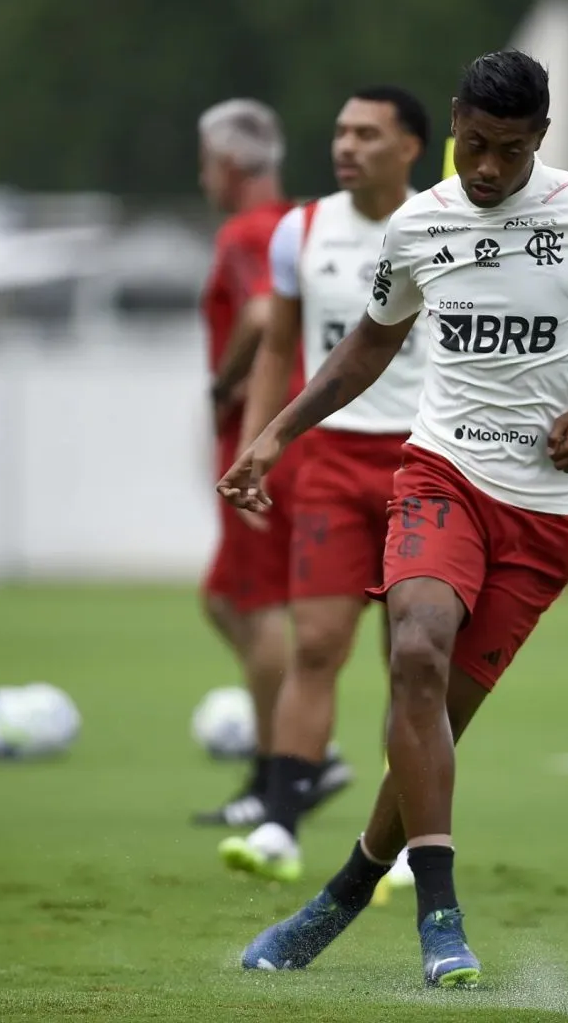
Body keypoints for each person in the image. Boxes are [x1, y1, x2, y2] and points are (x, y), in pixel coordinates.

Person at [217, 50, 568, 988]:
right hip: (439, 472)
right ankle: (440, 918)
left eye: (508, 151)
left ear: (542, 138)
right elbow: (367, 345)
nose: (485, 169)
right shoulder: (417, 226)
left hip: (544, 513)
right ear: (453, 123)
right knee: (414, 652)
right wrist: (276, 435)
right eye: (473, 145)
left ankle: (343, 891)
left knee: (438, 718)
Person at [217, 86, 430, 886]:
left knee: (413, 659)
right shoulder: (300, 231)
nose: (346, 146)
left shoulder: (443, 226)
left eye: (367, 134)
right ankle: (279, 821)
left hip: (425, 462)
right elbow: (277, 347)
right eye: (340, 130)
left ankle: (405, 838)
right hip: (333, 464)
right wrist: (256, 445)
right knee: (315, 645)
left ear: (409, 146)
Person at [195, 98, 349, 828]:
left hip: (263, 435)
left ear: (227, 165)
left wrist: (222, 386)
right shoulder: (306, 224)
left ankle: (281, 770)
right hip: (302, 430)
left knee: (256, 610)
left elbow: (259, 315)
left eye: (205, 164)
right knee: (226, 598)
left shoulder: (248, 232)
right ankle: (309, 749)